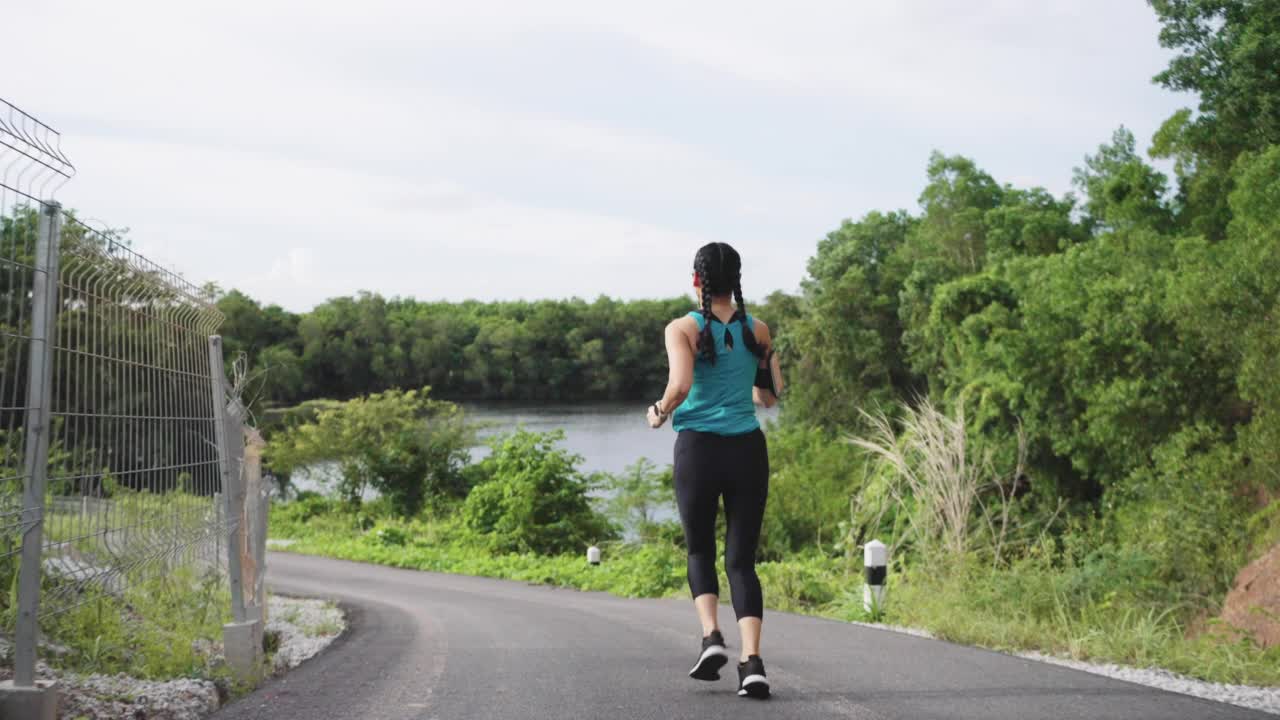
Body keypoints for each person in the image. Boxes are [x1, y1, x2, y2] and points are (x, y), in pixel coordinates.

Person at [646, 242, 782, 699]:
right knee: (742, 561)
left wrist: (658, 411)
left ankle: (711, 638)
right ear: (737, 280)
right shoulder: (757, 330)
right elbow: (769, 398)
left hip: (699, 450)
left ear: (696, 280)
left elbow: (680, 385)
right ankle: (753, 664)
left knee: (700, 550)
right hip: (747, 450)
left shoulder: (682, 327)